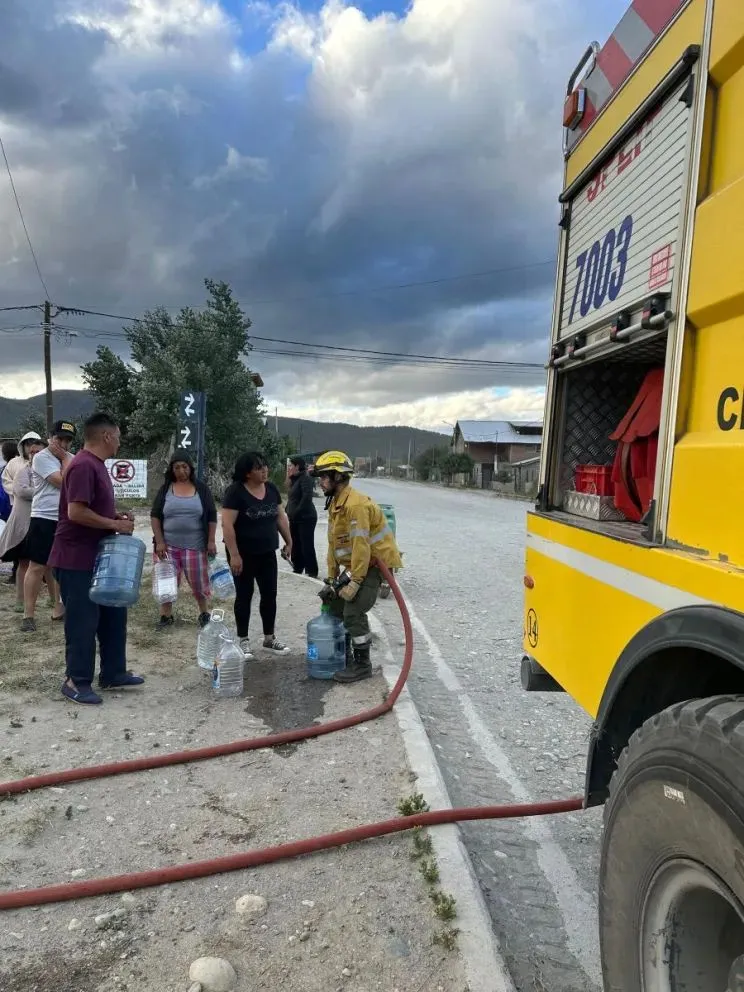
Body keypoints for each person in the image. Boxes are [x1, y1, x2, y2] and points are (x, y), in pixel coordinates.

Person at [49, 412, 144, 705]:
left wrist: (113, 516)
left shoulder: (98, 465)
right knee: (83, 622)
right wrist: (115, 525)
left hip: (99, 559)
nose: (119, 440)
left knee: (114, 614)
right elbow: (75, 512)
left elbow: (91, 508)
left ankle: (113, 673)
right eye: (117, 435)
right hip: (76, 559)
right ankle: (75, 681)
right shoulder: (82, 466)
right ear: (106, 436)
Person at [313, 450, 402, 683]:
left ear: (339, 477)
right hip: (355, 566)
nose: (320, 482)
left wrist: (356, 582)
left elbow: (362, 547)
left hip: (373, 566)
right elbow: (334, 547)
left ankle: (363, 665)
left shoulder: (356, 506)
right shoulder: (336, 504)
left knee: (353, 610)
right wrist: (332, 581)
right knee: (334, 607)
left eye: (324, 476)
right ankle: (345, 656)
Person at [221, 451, 292, 660]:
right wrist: (234, 554)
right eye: (258, 467)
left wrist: (289, 541)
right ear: (247, 473)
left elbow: (280, 517)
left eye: (265, 466)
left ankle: (269, 638)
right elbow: (227, 525)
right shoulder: (235, 492)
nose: (264, 470)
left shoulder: (271, 489)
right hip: (242, 554)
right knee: (245, 596)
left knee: (270, 594)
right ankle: (243, 640)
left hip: (267, 552)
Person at [150, 449, 217, 630]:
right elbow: (155, 516)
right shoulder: (166, 489)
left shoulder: (201, 489)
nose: (181, 471)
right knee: (167, 583)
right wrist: (160, 541)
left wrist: (211, 540)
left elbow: (211, 515)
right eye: (177, 467)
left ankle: (204, 613)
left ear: (191, 468)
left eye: (184, 467)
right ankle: (166, 616)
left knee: (199, 582)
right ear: (172, 469)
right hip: (168, 547)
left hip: (195, 546)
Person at [21, 421, 76, 632]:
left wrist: (65, 459)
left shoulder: (71, 458)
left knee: (61, 566)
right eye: (59, 438)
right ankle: (28, 615)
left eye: (68, 439)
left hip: (65, 518)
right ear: (50, 437)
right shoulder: (42, 458)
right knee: (37, 566)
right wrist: (64, 459)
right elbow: (63, 482)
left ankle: (58, 608)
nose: (63, 443)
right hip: (43, 517)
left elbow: (78, 483)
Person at [0, 434, 45, 609]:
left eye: (35, 446)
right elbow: (11, 485)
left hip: (42, 516)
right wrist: (39, 492)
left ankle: (54, 599)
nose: (31, 450)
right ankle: (21, 599)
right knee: (23, 561)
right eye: (28, 446)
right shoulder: (15, 464)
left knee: (46, 564)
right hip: (20, 512)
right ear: (23, 446)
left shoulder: (48, 464)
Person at [286, 456, 318, 578]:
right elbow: (292, 497)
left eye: (291, 466)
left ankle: (312, 571)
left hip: (306, 517)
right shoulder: (295, 479)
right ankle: (298, 567)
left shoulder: (306, 478)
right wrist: (288, 510)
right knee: (295, 543)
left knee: (306, 544)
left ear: (297, 466)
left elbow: (306, 498)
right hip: (294, 518)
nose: (289, 468)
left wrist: (296, 512)